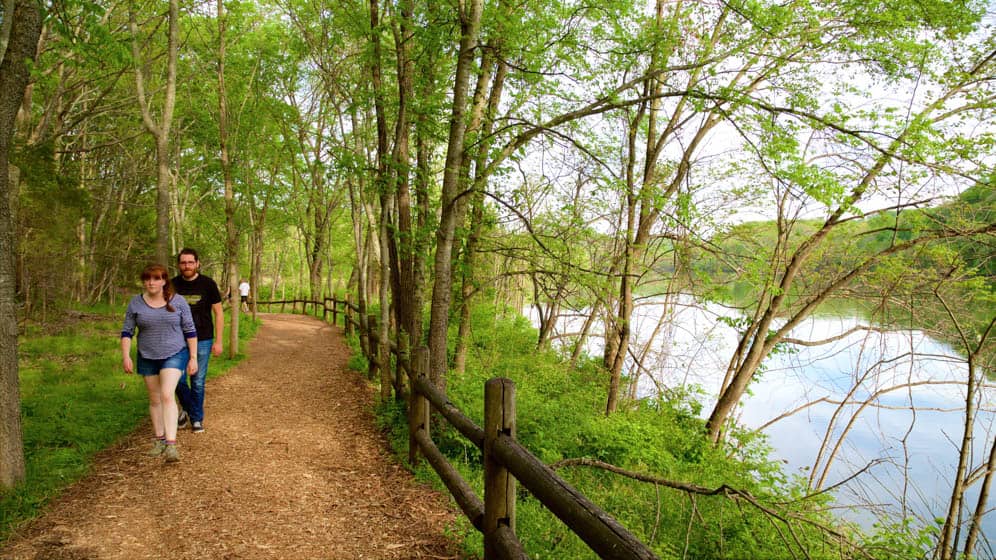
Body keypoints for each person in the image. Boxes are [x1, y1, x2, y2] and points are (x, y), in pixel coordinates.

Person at [121, 263, 198, 463]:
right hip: (147, 355)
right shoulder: (135, 303)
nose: (151, 282)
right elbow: (127, 331)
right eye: (147, 279)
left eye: (156, 278)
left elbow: (190, 331)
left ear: (164, 281)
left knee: (166, 394)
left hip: (175, 353)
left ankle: (171, 445)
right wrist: (126, 355)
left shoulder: (178, 301)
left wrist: (193, 357)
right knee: (155, 399)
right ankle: (159, 440)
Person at [172, 248, 223, 433]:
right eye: (183, 262)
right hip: (177, 340)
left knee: (198, 380)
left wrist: (219, 341)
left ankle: (196, 419)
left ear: (197, 263)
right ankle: (190, 409)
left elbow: (218, 313)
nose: (187, 266)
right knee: (176, 378)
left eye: (190, 262)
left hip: (203, 338)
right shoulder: (172, 285)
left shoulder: (208, 284)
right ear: (179, 265)